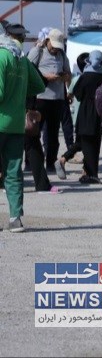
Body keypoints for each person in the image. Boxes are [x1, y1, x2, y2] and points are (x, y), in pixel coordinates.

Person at [0, 20, 46, 232]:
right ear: (19, 39)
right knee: (13, 172)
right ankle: (15, 218)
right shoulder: (23, 61)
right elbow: (39, 85)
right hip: (16, 125)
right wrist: (19, 96)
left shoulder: (1, 56)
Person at [26, 28, 71, 181]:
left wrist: (64, 77)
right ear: (47, 41)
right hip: (40, 98)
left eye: (58, 47)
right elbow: (28, 70)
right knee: (33, 132)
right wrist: (45, 77)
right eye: (54, 47)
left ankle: (50, 162)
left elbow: (68, 74)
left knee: (52, 134)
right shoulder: (37, 52)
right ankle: (30, 162)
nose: (55, 50)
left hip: (57, 99)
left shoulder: (63, 56)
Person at [71, 50, 102, 184]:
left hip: (85, 112)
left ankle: (90, 174)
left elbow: (78, 95)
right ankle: (93, 173)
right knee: (96, 144)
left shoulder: (85, 76)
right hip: (99, 114)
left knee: (86, 144)